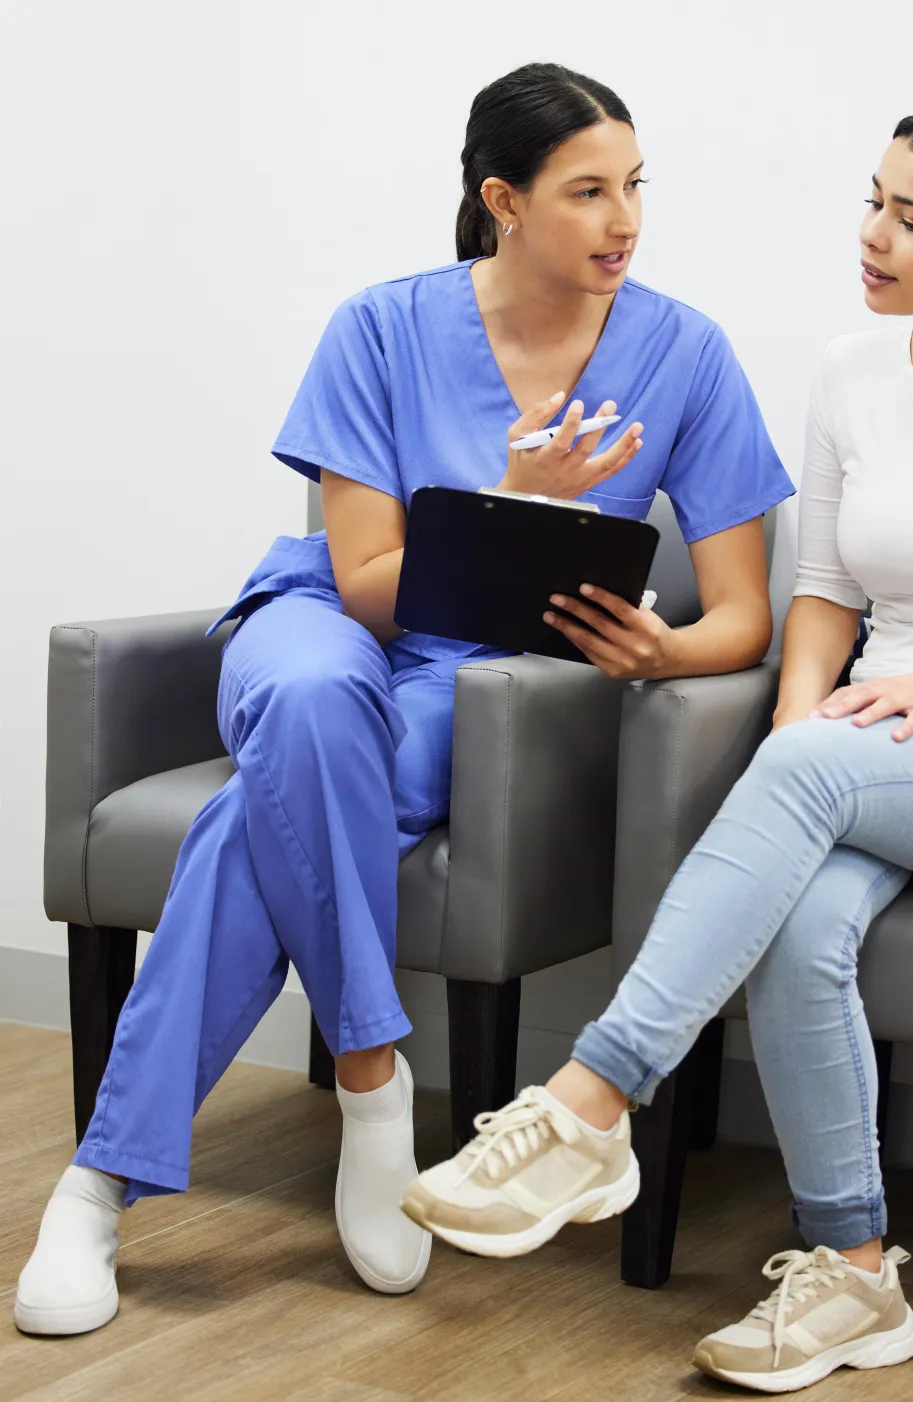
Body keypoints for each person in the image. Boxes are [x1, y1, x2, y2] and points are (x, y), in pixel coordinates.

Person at [14, 62, 793, 1337]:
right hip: (331, 618)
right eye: (589, 191)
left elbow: (746, 612)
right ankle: (375, 1075)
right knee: (313, 706)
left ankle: (100, 1183)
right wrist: (517, 499)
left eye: (636, 186)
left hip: (485, 680)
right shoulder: (379, 326)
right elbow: (372, 580)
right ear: (503, 200)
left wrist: (663, 654)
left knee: (265, 805)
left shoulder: (686, 352)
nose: (625, 219)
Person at [403, 102, 913, 1395]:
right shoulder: (850, 373)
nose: (873, 236)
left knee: (812, 762)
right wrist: (800, 709)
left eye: (912, 219)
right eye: (872, 200)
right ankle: (855, 1272)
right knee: (805, 923)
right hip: (874, 745)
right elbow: (821, 596)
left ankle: (592, 1102)